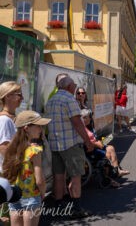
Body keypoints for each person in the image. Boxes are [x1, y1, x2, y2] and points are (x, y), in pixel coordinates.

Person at [45, 76, 95, 218]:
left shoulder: (51, 100)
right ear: (68, 87)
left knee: (59, 176)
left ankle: (59, 205)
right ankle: (76, 208)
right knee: (75, 176)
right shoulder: (69, 99)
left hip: (55, 144)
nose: (75, 87)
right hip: (70, 144)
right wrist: (87, 141)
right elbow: (77, 123)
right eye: (74, 85)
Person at [3, 111, 50, 226]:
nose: (41, 129)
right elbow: (39, 179)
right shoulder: (35, 150)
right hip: (31, 196)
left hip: (14, 195)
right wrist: (43, 193)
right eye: (38, 126)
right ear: (26, 128)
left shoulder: (10, 149)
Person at [81, 109, 129, 187]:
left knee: (111, 147)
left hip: (95, 145)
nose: (89, 119)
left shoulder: (89, 126)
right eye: (85, 117)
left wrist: (99, 142)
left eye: (89, 117)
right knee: (107, 155)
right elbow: (85, 141)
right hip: (89, 149)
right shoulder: (82, 128)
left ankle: (116, 170)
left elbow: (94, 138)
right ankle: (110, 178)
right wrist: (97, 144)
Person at [0, 81, 23, 173]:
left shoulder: (11, 118)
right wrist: (15, 168)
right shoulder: (5, 120)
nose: (22, 98)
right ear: (8, 96)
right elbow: (4, 148)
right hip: (6, 172)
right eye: (19, 95)